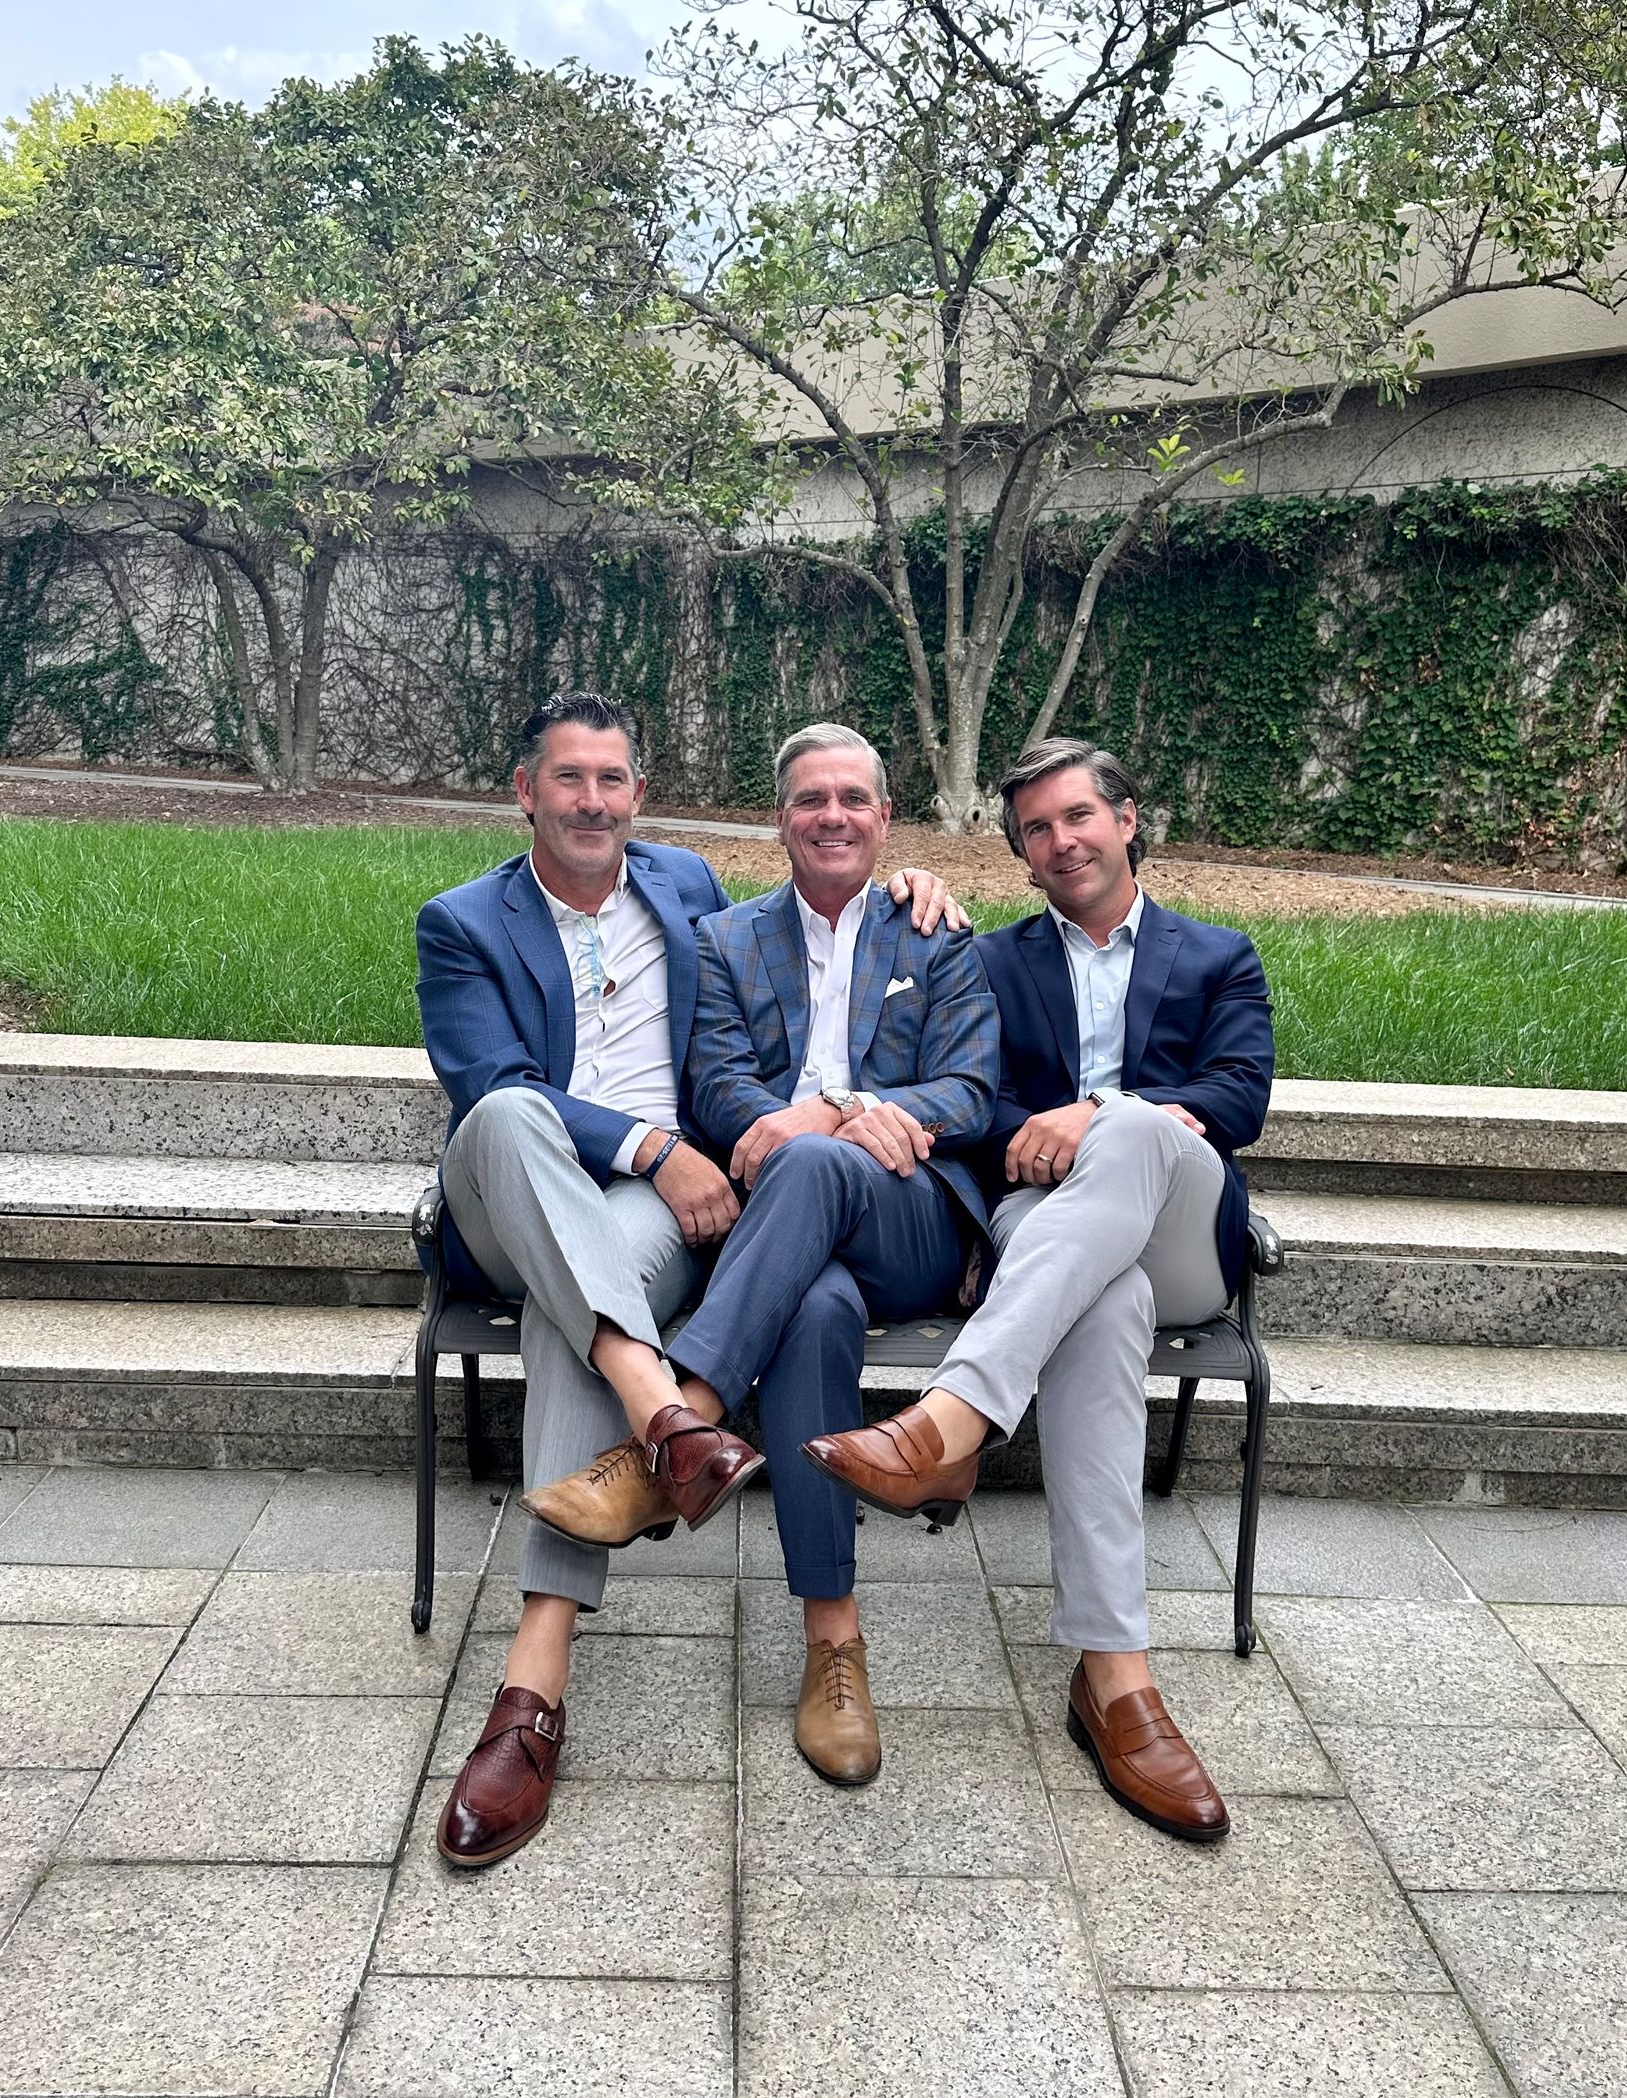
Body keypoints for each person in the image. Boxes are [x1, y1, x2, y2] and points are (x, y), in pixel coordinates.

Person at [417, 692, 959, 1868]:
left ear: (640, 793)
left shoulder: (687, 889)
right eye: (570, 778)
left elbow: (824, 900)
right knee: (510, 1116)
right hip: (521, 1192)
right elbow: (490, 1087)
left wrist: (911, 882)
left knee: (611, 1305)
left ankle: (535, 1687)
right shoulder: (460, 922)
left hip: (653, 1223)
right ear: (526, 792)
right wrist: (656, 1147)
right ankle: (665, 1413)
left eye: (612, 779)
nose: (592, 801)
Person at [806, 736, 1274, 1842]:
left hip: (1182, 1229)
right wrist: (1045, 1128)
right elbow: (977, 1099)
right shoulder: (995, 960)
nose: (1061, 841)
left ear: (1126, 820)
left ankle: (953, 1419)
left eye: (1078, 817)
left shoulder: (1219, 956)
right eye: (1036, 830)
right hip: (1044, 1220)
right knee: (1101, 1306)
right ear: (1020, 853)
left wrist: (1102, 1113)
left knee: (1139, 1131)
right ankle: (1116, 1681)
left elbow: (1237, 1096)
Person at [528, 723, 999, 1789]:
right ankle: (834, 1640)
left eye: (853, 799)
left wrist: (835, 1112)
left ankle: (680, 1427)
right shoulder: (726, 939)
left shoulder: (938, 936)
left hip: (910, 1216)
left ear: (886, 818)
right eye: (810, 800)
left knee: (816, 1161)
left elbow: (970, 1089)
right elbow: (716, 1082)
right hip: (787, 1240)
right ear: (778, 820)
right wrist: (790, 1130)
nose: (833, 817)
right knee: (814, 1309)